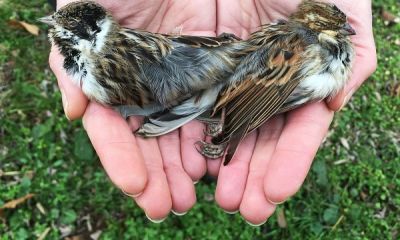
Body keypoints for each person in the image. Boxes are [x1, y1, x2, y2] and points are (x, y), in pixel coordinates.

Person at [49, 0, 376, 225]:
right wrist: (234, 128)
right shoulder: (301, 50)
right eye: (335, 29)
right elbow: (260, 90)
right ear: (313, 27)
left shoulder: (304, 46)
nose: (346, 32)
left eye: (341, 27)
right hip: (233, 85)